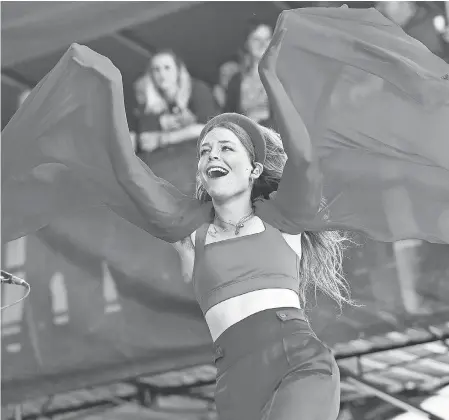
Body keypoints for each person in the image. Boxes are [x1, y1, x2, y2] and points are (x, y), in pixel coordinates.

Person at [133, 49, 219, 153]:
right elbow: (145, 140)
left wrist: (164, 138)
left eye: (167, 68)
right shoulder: (150, 99)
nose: (162, 74)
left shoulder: (198, 89)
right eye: (156, 69)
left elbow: (209, 128)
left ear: (178, 71)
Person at [225, 22, 274, 126]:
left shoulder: (282, 76)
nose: (262, 44)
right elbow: (228, 116)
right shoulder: (236, 80)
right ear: (247, 43)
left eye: (267, 39)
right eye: (256, 39)